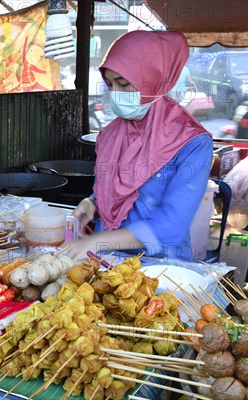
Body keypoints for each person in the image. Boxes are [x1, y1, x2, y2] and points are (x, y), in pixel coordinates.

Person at [66, 31, 214, 262]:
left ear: (153, 79)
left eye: (124, 84)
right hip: (103, 262)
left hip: (160, 269)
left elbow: (171, 226)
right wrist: (91, 203)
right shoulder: (111, 135)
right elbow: (106, 188)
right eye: (110, 84)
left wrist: (98, 240)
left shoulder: (192, 143)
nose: (116, 94)